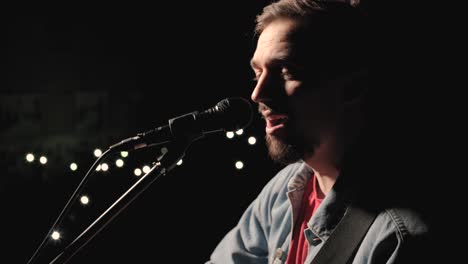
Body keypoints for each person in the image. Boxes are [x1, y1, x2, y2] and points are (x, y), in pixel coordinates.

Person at [206, 0, 432, 263]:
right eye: (258, 73)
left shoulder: (397, 235)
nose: (258, 94)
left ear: (352, 86)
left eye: (287, 71)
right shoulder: (286, 188)